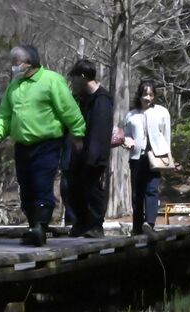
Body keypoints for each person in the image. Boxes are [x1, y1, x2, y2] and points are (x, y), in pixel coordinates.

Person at [0, 45, 87, 247]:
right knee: (26, 188)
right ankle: (33, 226)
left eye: (16, 63)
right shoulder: (14, 86)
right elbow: (5, 115)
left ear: (29, 63)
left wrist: (78, 134)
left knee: (42, 184)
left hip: (47, 143)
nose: (13, 67)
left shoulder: (51, 80)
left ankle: (41, 227)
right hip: (22, 145)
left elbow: (70, 110)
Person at [66, 59, 114, 237]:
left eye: (75, 78)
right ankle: (81, 223)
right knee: (74, 188)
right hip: (80, 153)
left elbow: (100, 131)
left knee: (92, 189)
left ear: (84, 77)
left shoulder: (102, 100)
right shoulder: (82, 99)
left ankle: (95, 225)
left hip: (94, 154)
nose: (72, 83)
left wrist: (92, 156)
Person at [122, 80, 172, 235]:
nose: (147, 98)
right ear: (139, 95)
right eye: (145, 94)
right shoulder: (131, 115)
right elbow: (126, 135)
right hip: (137, 157)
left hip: (156, 157)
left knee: (151, 189)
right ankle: (137, 226)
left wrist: (168, 155)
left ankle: (149, 223)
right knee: (137, 193)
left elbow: (166, 135)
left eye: (150, 94)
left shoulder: (162, 112)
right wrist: (127, 141)